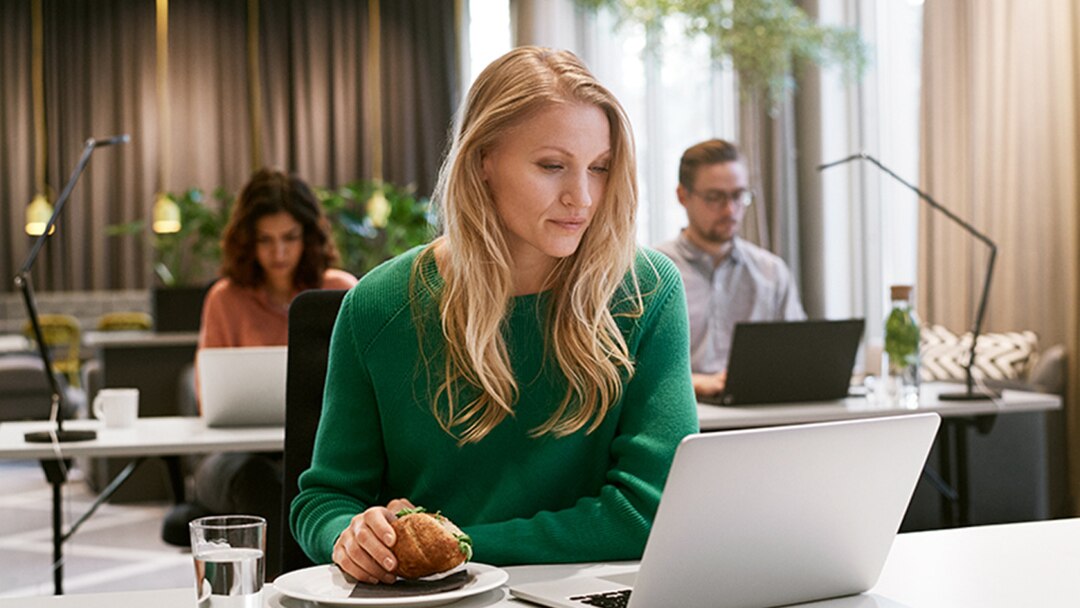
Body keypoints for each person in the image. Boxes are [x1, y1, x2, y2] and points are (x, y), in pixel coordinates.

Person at [291, 46, 699, 584]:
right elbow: (324, 499)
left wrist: (454, 548)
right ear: (483, 159)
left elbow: (652, 512)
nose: (582, 196)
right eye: (552, 166)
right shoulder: (378, 305)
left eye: (599, 168)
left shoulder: (646, 291)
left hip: (587, 594)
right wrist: (350, 537)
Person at [162, 168, 357, 573]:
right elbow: (208, 391)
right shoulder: (225, 299)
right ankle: (280, 590)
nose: (279, 253)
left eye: (290, 238)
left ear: (309, 237)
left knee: (316, 483)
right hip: (235, 456)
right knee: (258, 479)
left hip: (316, 451)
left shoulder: (338, 290)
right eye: (266, 240)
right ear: (247, 242)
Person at [655, 139, 805, 398]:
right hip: (685, 414)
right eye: (715, 198)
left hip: (759, 419)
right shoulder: (653, 273)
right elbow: (627, 371)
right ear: (683, 196)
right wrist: (694, 383)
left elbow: (799, 358)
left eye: (738, 196)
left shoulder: (771, 272)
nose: (730, 210)